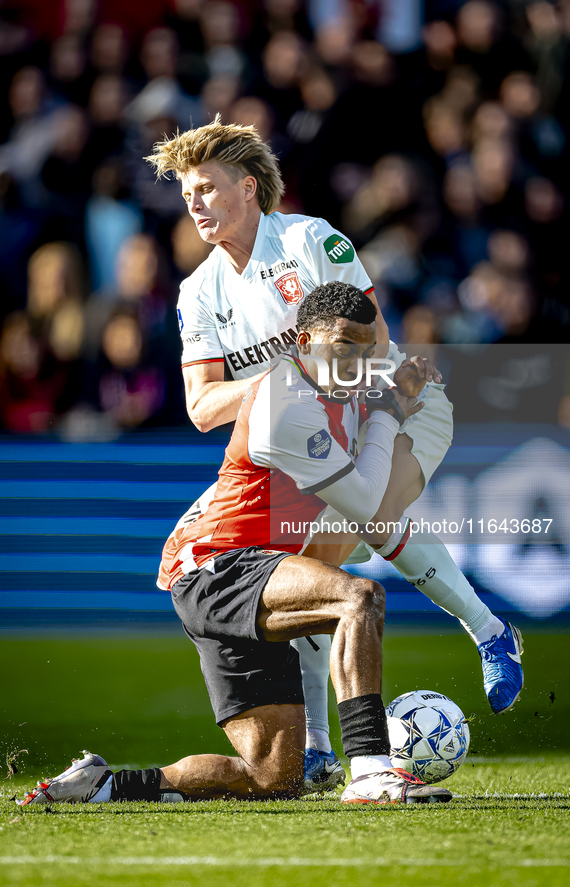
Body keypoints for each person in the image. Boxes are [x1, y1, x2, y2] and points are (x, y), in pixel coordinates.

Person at [144, 118, 524, 786]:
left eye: (206, 187)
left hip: (401, 400)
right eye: (186, 193)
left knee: (360, 521)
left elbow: (371, 343)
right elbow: (201, 407)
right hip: (306, 422)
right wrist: (282, 379)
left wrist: (313, 385)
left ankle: (487, 630)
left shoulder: (310, 240)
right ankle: (322, 745)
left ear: (249, 187)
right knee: (314, 560)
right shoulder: (197, 293)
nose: (194, 203)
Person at [20, 283, 453, 807]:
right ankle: (371, 769)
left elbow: (387, 384)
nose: (355, 364)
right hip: (218, 565)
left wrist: (407, 380)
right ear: (303, 340)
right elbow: (364, 502)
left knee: (273, 777)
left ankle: (104, 784)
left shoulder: (342, 377)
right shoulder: (284, 402)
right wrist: (390, 411)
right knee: (357, 599)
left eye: (366, 351)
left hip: (239, 571)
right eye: (343, 349)